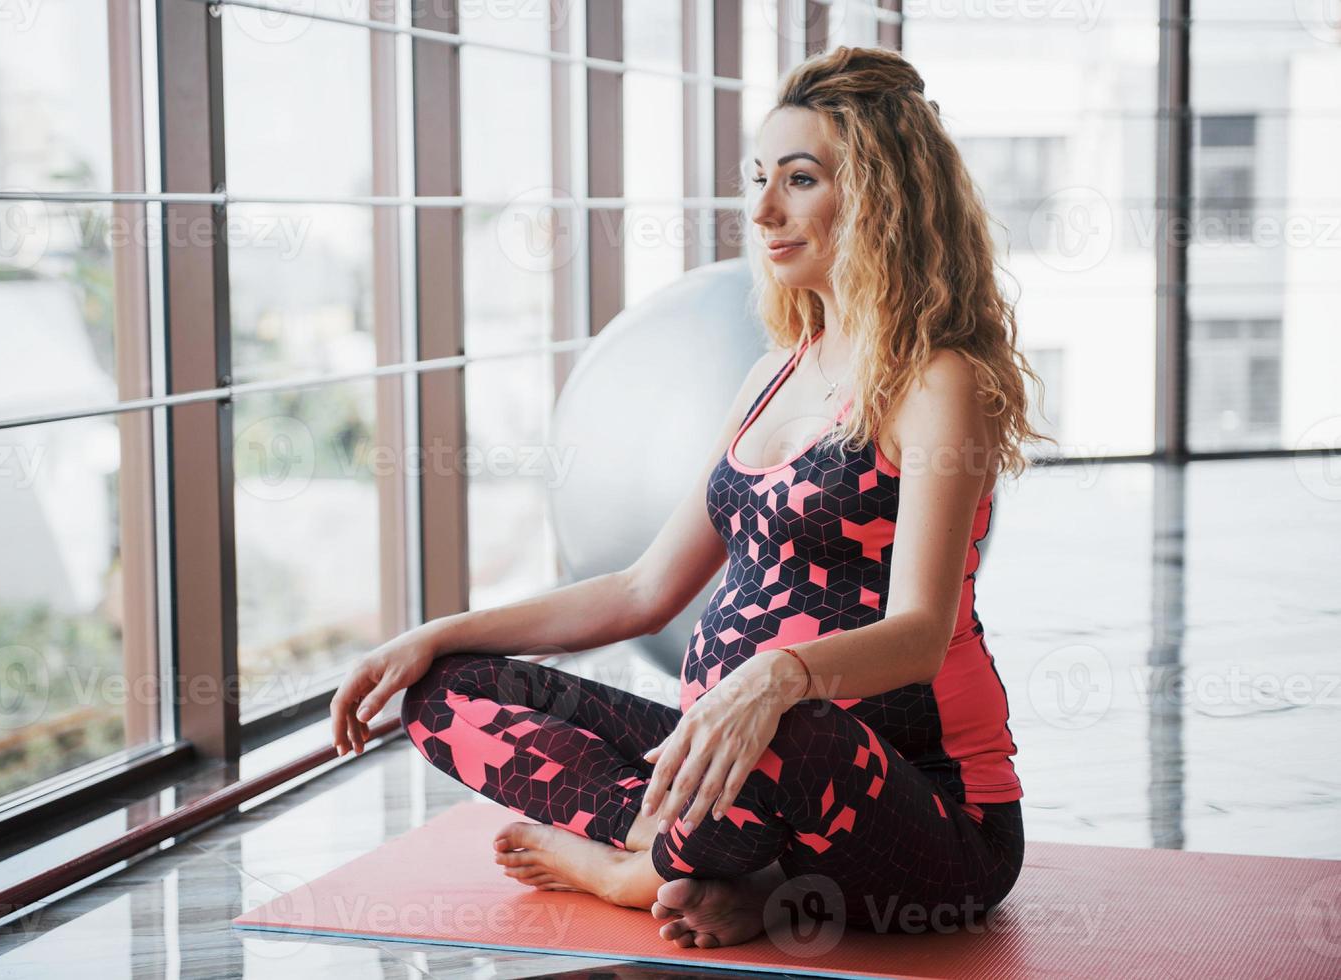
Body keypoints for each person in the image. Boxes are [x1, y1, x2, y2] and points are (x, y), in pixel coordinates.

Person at [330, 44, 1056, 950]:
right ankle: (724, 862)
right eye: (758, 179)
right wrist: (434, 634)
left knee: (795, 731)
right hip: (733, 763)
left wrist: (774, 677)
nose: (762, 211)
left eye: (799, 180)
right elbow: (643, 591)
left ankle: (641, 870)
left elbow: (918, 633)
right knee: (449, 692)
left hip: (928, 819)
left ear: (881, 198)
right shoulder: (770, 376)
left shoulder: (936, 380)